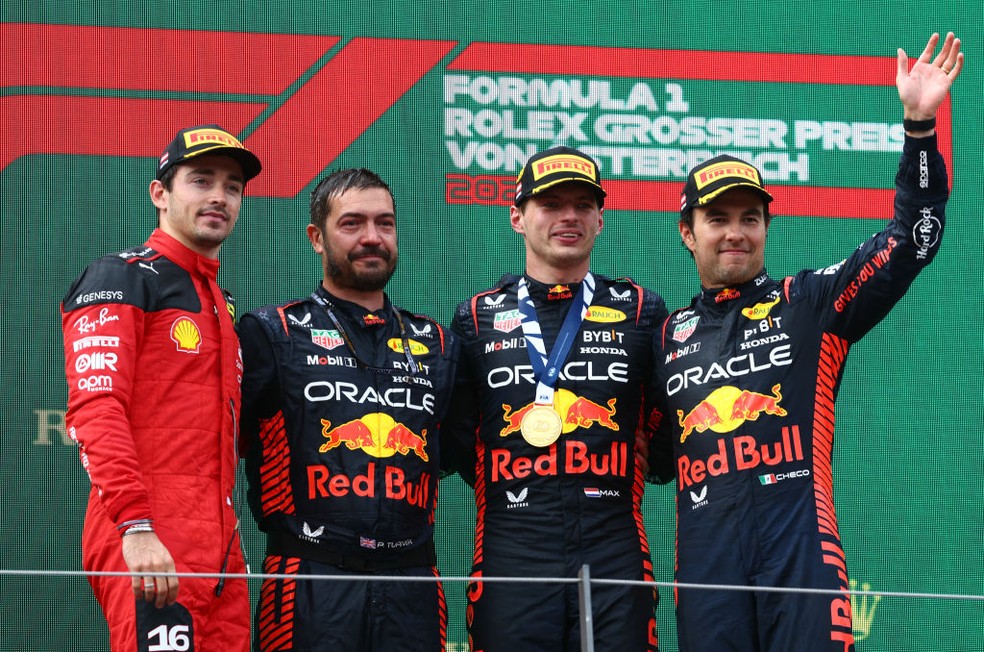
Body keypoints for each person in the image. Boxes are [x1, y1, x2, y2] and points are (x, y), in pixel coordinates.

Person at [649, 32, 963, 652]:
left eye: (750, 218)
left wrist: (920, 127)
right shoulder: (662, 336)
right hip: (706, 570)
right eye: (717, 219)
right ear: (688, 232)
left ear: (766, 225)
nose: (735, 233)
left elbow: (913, 240)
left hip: (802, 557)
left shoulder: (811, 303)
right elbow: (652, 458)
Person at [445, 145, 672, 651]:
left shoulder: (640, 310)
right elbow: (460, 435)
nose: (568, 217)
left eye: (582, 205)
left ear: (600, 219)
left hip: (614, 543)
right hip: (512, 542)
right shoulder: (475, 318)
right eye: (550, 204)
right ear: (518, 218)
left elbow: (668, 425)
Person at [238, 168, 459, 651]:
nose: (372, 238)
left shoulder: (438, 342)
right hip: (310, 577)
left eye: (385, 223)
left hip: (413, 581)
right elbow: (214, 443)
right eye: (352, 224)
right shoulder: (272, 332)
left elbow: (466, 447)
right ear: (317, 238)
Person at [60, 124, 262, 650]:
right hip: (150, 538)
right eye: (201, 180)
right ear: (160, 193)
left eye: (233, 186)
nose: (219, 196)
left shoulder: (223, 302)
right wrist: (135, 526)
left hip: (221, 555)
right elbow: (95, 408)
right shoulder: (122, 276)